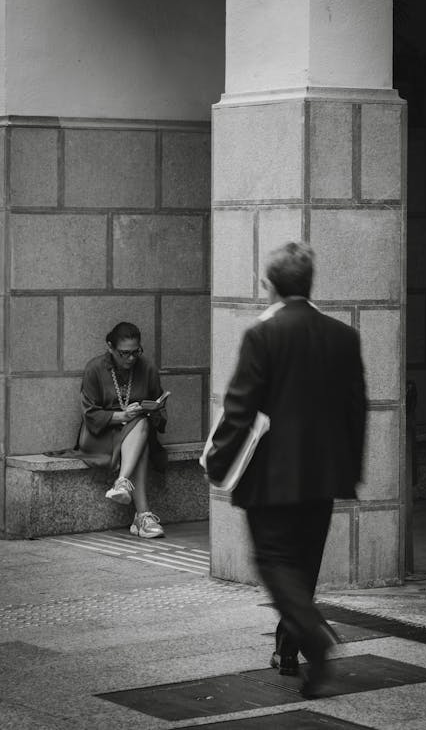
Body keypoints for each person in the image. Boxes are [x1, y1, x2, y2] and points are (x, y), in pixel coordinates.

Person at [205, 241, 366, 698]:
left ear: (269, 285)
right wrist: (348, 469)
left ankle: (312, 636)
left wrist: (218, 462)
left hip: (272, 475)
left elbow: (240, 407)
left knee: (274, 562)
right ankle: (291, 646)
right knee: (304, 565)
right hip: (324, 475)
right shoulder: (343, 335)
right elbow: (357, 409)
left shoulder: (263, 334)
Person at [77, 321, 167, 538]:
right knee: (140, 441)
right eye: (124, 353)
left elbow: (161, 418)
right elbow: (90, 414)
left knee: (142, 425)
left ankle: (123, 484)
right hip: (101, 436)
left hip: (137, 431)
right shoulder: (95, 368)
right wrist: (121, 416)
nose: (131, 358)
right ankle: (142, 516)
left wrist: (152, 409)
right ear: (110, 347)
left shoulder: (147, 368)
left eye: (136, 352)